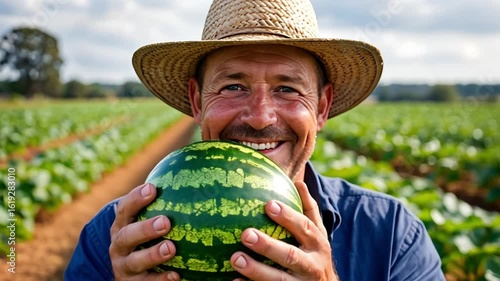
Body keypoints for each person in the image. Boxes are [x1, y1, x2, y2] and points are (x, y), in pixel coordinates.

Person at [65, 0, 445, 280]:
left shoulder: (393, 238)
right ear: (197, 101)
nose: (260, 117)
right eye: (233, 86)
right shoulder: (111, 241)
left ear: (322, 107)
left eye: (287, 88)